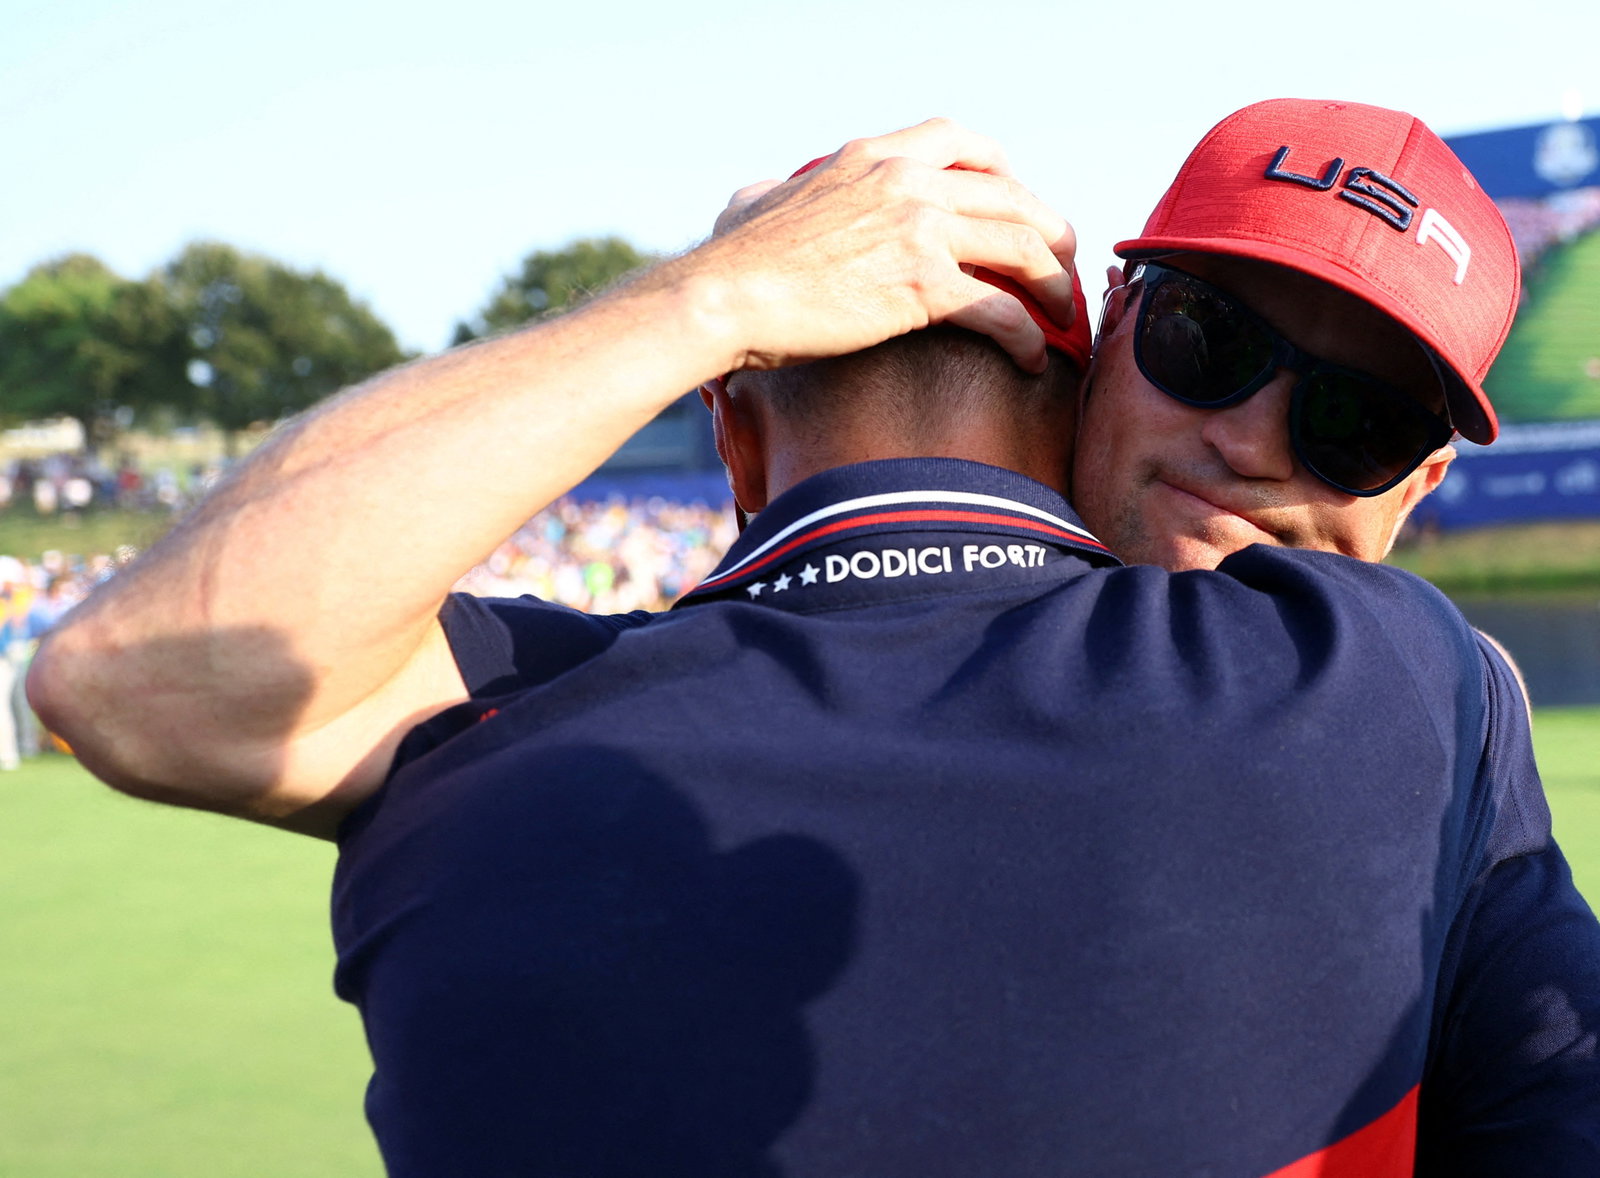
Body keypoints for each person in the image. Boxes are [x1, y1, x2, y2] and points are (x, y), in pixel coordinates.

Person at [28, 114, 1597, 1176]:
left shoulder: (480, 750)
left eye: (1357, 421)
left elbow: (136, 675)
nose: (1253, 442)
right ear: (1093, 345)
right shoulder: (1416, 685)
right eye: (1208, 342)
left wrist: (704, 304)